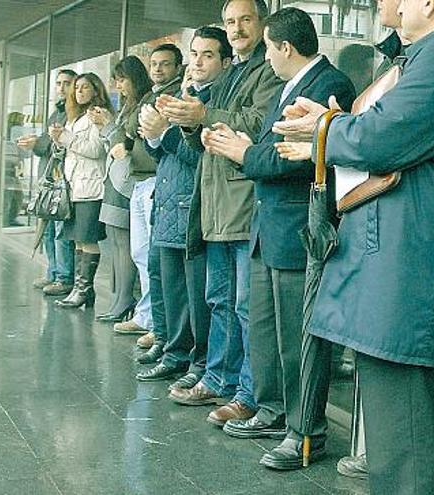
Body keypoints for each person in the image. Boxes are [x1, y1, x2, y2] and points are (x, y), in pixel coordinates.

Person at [275, 0, 434, 492]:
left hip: (412, 272)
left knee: (406, 447)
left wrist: (326, 128)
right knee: (397, 440)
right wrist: (333, 125)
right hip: (404, 270)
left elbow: (380, 137)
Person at [202, 6, 356, 469]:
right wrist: (245, 149)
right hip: (269, 228)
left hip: (299, 231)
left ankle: (306, 432)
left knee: (299, 339)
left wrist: (244, 153)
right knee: (267, 333)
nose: (266, 58)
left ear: (285, 46)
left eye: (268, 48)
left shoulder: (329, 84)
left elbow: (294, 158)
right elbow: (270, 148)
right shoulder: (292, 85)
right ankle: (271, 411)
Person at [157, 0, 282, 427]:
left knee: (246, 306)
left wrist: (203, 114)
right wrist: (187, 124)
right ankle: (219, 378)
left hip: (244, 204)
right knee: (220, 301)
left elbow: (258, 123)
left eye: (245, 20)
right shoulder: (231, 73)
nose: (237, 28)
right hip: (214, 205)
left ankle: (248, 392)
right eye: (231, 22)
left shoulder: (269, 69)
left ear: (262, 23)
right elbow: (203, 144)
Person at [133, 27, 232, 387]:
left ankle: (196, 362)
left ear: (225, 61)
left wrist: (169, 131)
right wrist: (155, 133)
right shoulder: (184, 95)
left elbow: (201, 155)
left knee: (198, 299)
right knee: (168, 288)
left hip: (194, 209)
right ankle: (172, 351)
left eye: (207, 55)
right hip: (167, 205)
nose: (198, 62)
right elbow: (164, 155)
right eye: (195, 54)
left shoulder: (215, 104)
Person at [122, 45, 184, 350]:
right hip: (141, 181)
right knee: (142, 254)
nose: (158, 70)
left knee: (153, 259)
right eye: (154, 64)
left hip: (157, 179)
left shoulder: (173, 93)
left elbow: (137, 130)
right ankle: (149, 319)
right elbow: (132, 126)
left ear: (177, 67)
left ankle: (157, 326)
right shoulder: (152, 94)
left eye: (164, 64)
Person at [87, 56, 153, 324]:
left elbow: (125, 141)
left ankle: (125, 300)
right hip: (115, 178)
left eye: (122, 79)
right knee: (116, 243)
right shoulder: (127, 105)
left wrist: (110, 125)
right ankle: (120, 299)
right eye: (116, 80)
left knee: (125, 244)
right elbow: (114, 145)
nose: (118, 85)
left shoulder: (145, 102)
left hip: (128, 181)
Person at [50, 73, 113, 309]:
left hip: (92, 187)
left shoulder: (98, 114)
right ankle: (81, 289)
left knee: (87, 239)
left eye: (85, 87)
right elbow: (73, 150)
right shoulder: (74, 117)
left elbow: (96, 149)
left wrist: (66, 138)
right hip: (74, 187)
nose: (80, 91)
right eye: (77, 88)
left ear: (96, 90)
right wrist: (59, 139)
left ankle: (83, 289)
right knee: (77, 240)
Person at [20, 69, 77, 296]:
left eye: (67, 83)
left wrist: (38, 142)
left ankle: (64, 277)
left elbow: (57, 144)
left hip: (63, 181)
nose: (62, 88)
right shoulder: (57, 111)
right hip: (49, 180)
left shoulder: (73, 113)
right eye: (59, 83)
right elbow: (48, 143)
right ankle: (53, 272)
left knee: (61, 232)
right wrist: (38, 142)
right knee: (48, 231)